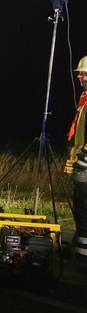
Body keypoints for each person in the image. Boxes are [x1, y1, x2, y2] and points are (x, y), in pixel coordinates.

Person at [65, 55, 87, 258]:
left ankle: (82, 252)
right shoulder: (84, 97)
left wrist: (84, 157)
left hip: (86, 163)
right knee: (80, 204)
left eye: (84, 73)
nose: (80, 76)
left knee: (83, 206)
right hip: (81, 160)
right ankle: (80, 244)